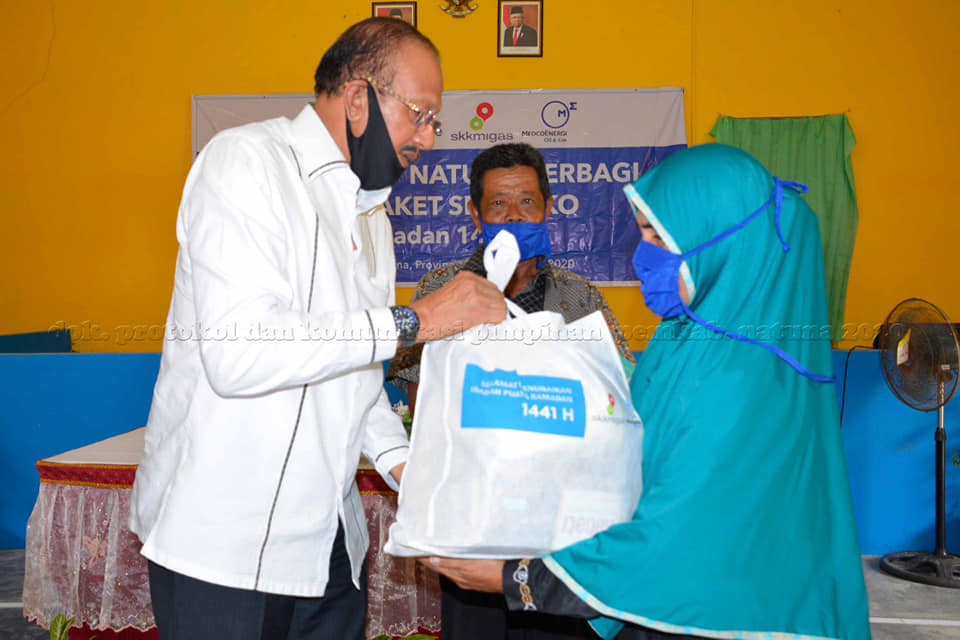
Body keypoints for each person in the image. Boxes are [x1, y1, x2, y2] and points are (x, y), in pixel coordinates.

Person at [129, 17, 506, 640]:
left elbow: (352, 376)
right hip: (223, 547)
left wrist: (407, 467)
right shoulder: (246, 162)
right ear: (358, 98)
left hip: (327, 546)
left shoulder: (372, 215)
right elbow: (241, 351)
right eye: (419, 113)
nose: (428, 138)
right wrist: (419, 320)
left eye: (436, 121)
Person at [425, 144, 873, 640]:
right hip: (603, 569)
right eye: (642, 233)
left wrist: (519, 579)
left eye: (659, 235)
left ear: (718, 241)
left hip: (703, 611)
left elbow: (671, 540)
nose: (644, 254)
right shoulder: (686, 337)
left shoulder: (742, 379)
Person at [387, 142, 635, 640]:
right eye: (498, 204)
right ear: (475, 214)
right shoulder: (441, 289)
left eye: (527, 202)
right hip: (472, 526)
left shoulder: (579, 296)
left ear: (547, 206)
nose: (514, 215)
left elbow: (618, 396)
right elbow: (419, 399)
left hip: (560, 534)